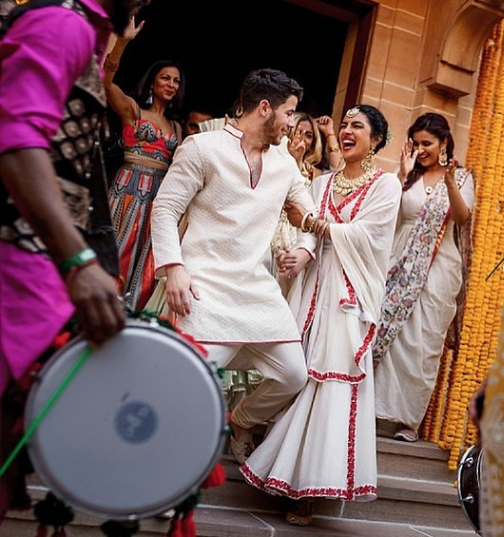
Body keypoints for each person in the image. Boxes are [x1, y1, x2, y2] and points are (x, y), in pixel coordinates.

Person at [0, 0, 145, 529]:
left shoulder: (85, 30)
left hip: (33, 272)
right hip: (14, 268)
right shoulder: (61, 24)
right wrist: (80, 260)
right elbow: (16, 143)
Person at [240, 104, 402, 526]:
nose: (347, 131)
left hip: (347, 298)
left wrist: (313, 225)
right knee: (295, 370)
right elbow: (312, 237)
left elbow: (367, 237)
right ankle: (265, 452)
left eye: (358, 126)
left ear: (377, 140)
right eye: (344, 125)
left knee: (329, 383)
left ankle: (307, 491)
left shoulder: (386, 186)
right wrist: (299, 252)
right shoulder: (324, 182)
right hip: (312, 289)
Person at [150, 67, 318, 465]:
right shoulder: (202, 148)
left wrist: (307, 248)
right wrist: (173, 267)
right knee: (192, 389)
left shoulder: (284, 165)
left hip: (257, 291)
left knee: (294, 374)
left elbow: (310, 213)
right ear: (265, 108)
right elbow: (166, 208)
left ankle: (241, 419)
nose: (292, 124)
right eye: (289, 113)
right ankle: (159, 470)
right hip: (203, 289)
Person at [373, 112, 475, 442]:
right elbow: (389, 215)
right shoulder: (407, 174)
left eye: (427, 144)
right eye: (415, 144)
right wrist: (402, 175)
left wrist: (447, 182)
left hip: (438, 274)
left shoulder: (461, 178)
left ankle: (408, 421)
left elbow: (462, 218)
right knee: (388, 338)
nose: (420, 150)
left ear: (444, 143)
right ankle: (374, 410)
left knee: (422, 345)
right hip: (399, 267)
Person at [104, 16, 185, 311]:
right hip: (126, 194)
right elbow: (104, 80)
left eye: (176, 81)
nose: (171, 84)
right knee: (116, 252)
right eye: (166, 77)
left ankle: (129, 322)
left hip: (158, 201)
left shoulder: (177, 128)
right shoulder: (132, 109)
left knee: (145, 267)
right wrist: (123, 41)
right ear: (153, 80)